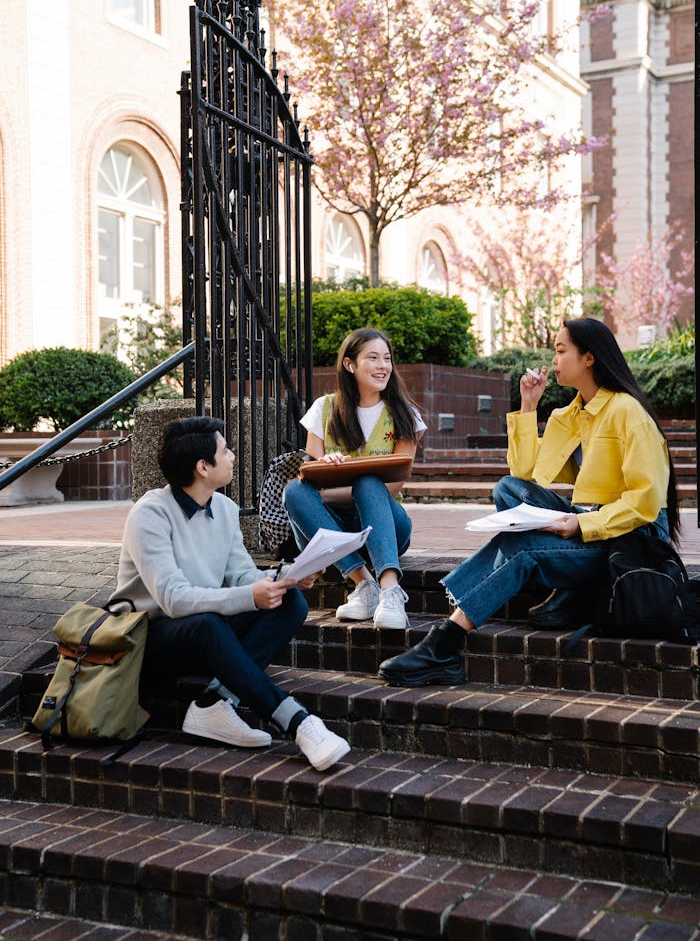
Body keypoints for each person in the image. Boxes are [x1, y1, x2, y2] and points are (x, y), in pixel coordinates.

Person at [378, 317, 679, 687]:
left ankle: (444, 646)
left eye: (560, 349)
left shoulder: (627, 412)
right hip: (590, 527)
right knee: (508, 488)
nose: (553, 359)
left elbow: (646, 503)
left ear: (589, 358)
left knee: (521, 546)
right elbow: (527, 473)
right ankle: (568, 588)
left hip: (628, 541)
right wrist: (527, 406)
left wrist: (581, 524)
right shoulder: (571, 414)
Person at [111, 416, 350, 771]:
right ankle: (299, 724)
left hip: (204, 632)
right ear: (203, 466)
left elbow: (241, 575)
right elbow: (174, 600)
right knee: (208, 625)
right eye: (225, 450)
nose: (233, 456)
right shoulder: (150, 514)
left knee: (290, 603)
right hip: (148, 640)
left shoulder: (224, 508)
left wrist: (286, 576)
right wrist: (250, 596)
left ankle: (215, 702)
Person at [283, 327, 426, 630]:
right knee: (293, 491)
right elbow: (307, 481)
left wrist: (332, 487)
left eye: (386, 358)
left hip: (385, 527)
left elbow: (393, 486)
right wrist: (324, 466)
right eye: (372, 358)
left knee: (369, 482)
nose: (382, 366)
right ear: (350, 365)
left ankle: (390, 590)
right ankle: (364, 585)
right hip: (332, 530)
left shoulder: (404, 413)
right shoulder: (324, 409)